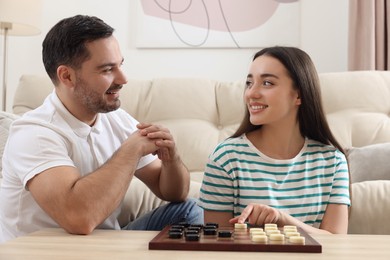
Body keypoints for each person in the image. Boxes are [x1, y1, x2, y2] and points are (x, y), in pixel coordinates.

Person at [0, 15, 203, 243]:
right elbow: (80, 219)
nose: (123, 79)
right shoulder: (33, 133)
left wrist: (171, 158)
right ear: (67, 76)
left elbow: (173, 192)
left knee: (190, 210)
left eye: (120, 65)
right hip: (50, 253)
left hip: (105, 246)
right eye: (107, 70)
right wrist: (131, 150)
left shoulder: (115, 119)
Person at [198, 46, 350, 234]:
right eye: (249, 83)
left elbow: (337, 243)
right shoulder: (225, 158)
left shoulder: (333, 162)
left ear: (299, 95)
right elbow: (216, 244)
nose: (251, 93)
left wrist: (282, 220)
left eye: (267, 83)